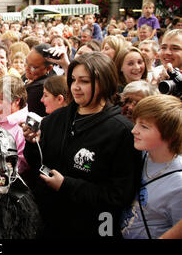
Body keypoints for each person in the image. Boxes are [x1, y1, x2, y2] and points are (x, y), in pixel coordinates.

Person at [23, 52, 142, 238]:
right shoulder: (55, 119)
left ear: (103, 82)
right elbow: (38, 163)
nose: (76, 87)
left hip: (91, 226)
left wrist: (66, 185)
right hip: (48, 223)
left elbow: (119, 195)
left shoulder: (122, 132)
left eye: (84, 81)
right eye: (73, 79)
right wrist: (31, 144)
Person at [122, 94, 182, 239]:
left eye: (144, 126)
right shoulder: (138, 156)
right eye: (136, 123)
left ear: (171, 134)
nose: (134, 130)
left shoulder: (178, 183)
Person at [24, 43, 56, 117]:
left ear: (48, 68)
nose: (27, 68)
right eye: (26, 62)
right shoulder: (28, 76)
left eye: (33, 67)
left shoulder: (41, 88)